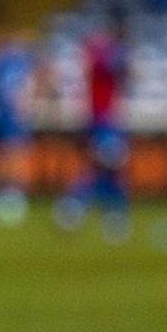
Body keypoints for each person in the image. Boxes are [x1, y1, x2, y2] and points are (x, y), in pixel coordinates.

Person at [58, 12, 133, 239]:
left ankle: (92, 211)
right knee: (108, 166)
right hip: (103, 119)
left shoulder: (102, 50)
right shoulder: (105, 52)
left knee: (108, 169)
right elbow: (120, 69)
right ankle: (75, 206)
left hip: (106, 118)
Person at [0, 33, 38, 223]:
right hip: (10, 116)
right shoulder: (13, 64)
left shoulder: (7, 65)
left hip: (10, 116)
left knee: (12, 155)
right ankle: (11, 195)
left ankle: (13, 196)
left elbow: (18, 92)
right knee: (11, 155)